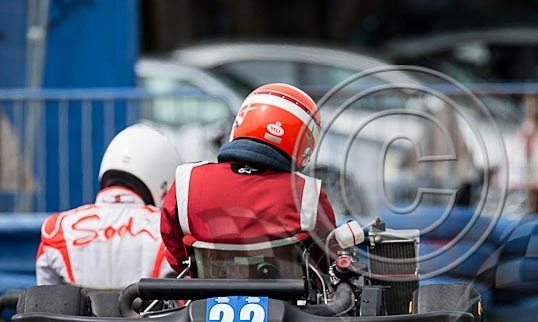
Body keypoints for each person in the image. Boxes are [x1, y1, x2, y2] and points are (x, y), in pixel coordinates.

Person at [160, 83, 337, 278]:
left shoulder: (187, 181)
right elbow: (325, 263)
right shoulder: (308, 194)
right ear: (304, 145)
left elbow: (178, 258)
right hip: (283, 305)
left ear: (241, 122)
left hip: (205, 302)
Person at [35, 123, 181, 288]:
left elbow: (43, 303)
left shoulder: (56, 230)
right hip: (149, 313)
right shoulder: (170, 234)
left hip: (74, 314)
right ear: (165, 182)